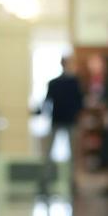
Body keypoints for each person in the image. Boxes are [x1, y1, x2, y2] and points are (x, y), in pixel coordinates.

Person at [38, 56, 82, 193]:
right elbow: (80, 103)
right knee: (71, 154)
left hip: (58, 120)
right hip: (68, 121)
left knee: (49, 153)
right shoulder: (74, 82)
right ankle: (71, 181)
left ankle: (46, 180)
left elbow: (46, 103)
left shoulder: (54, 83)